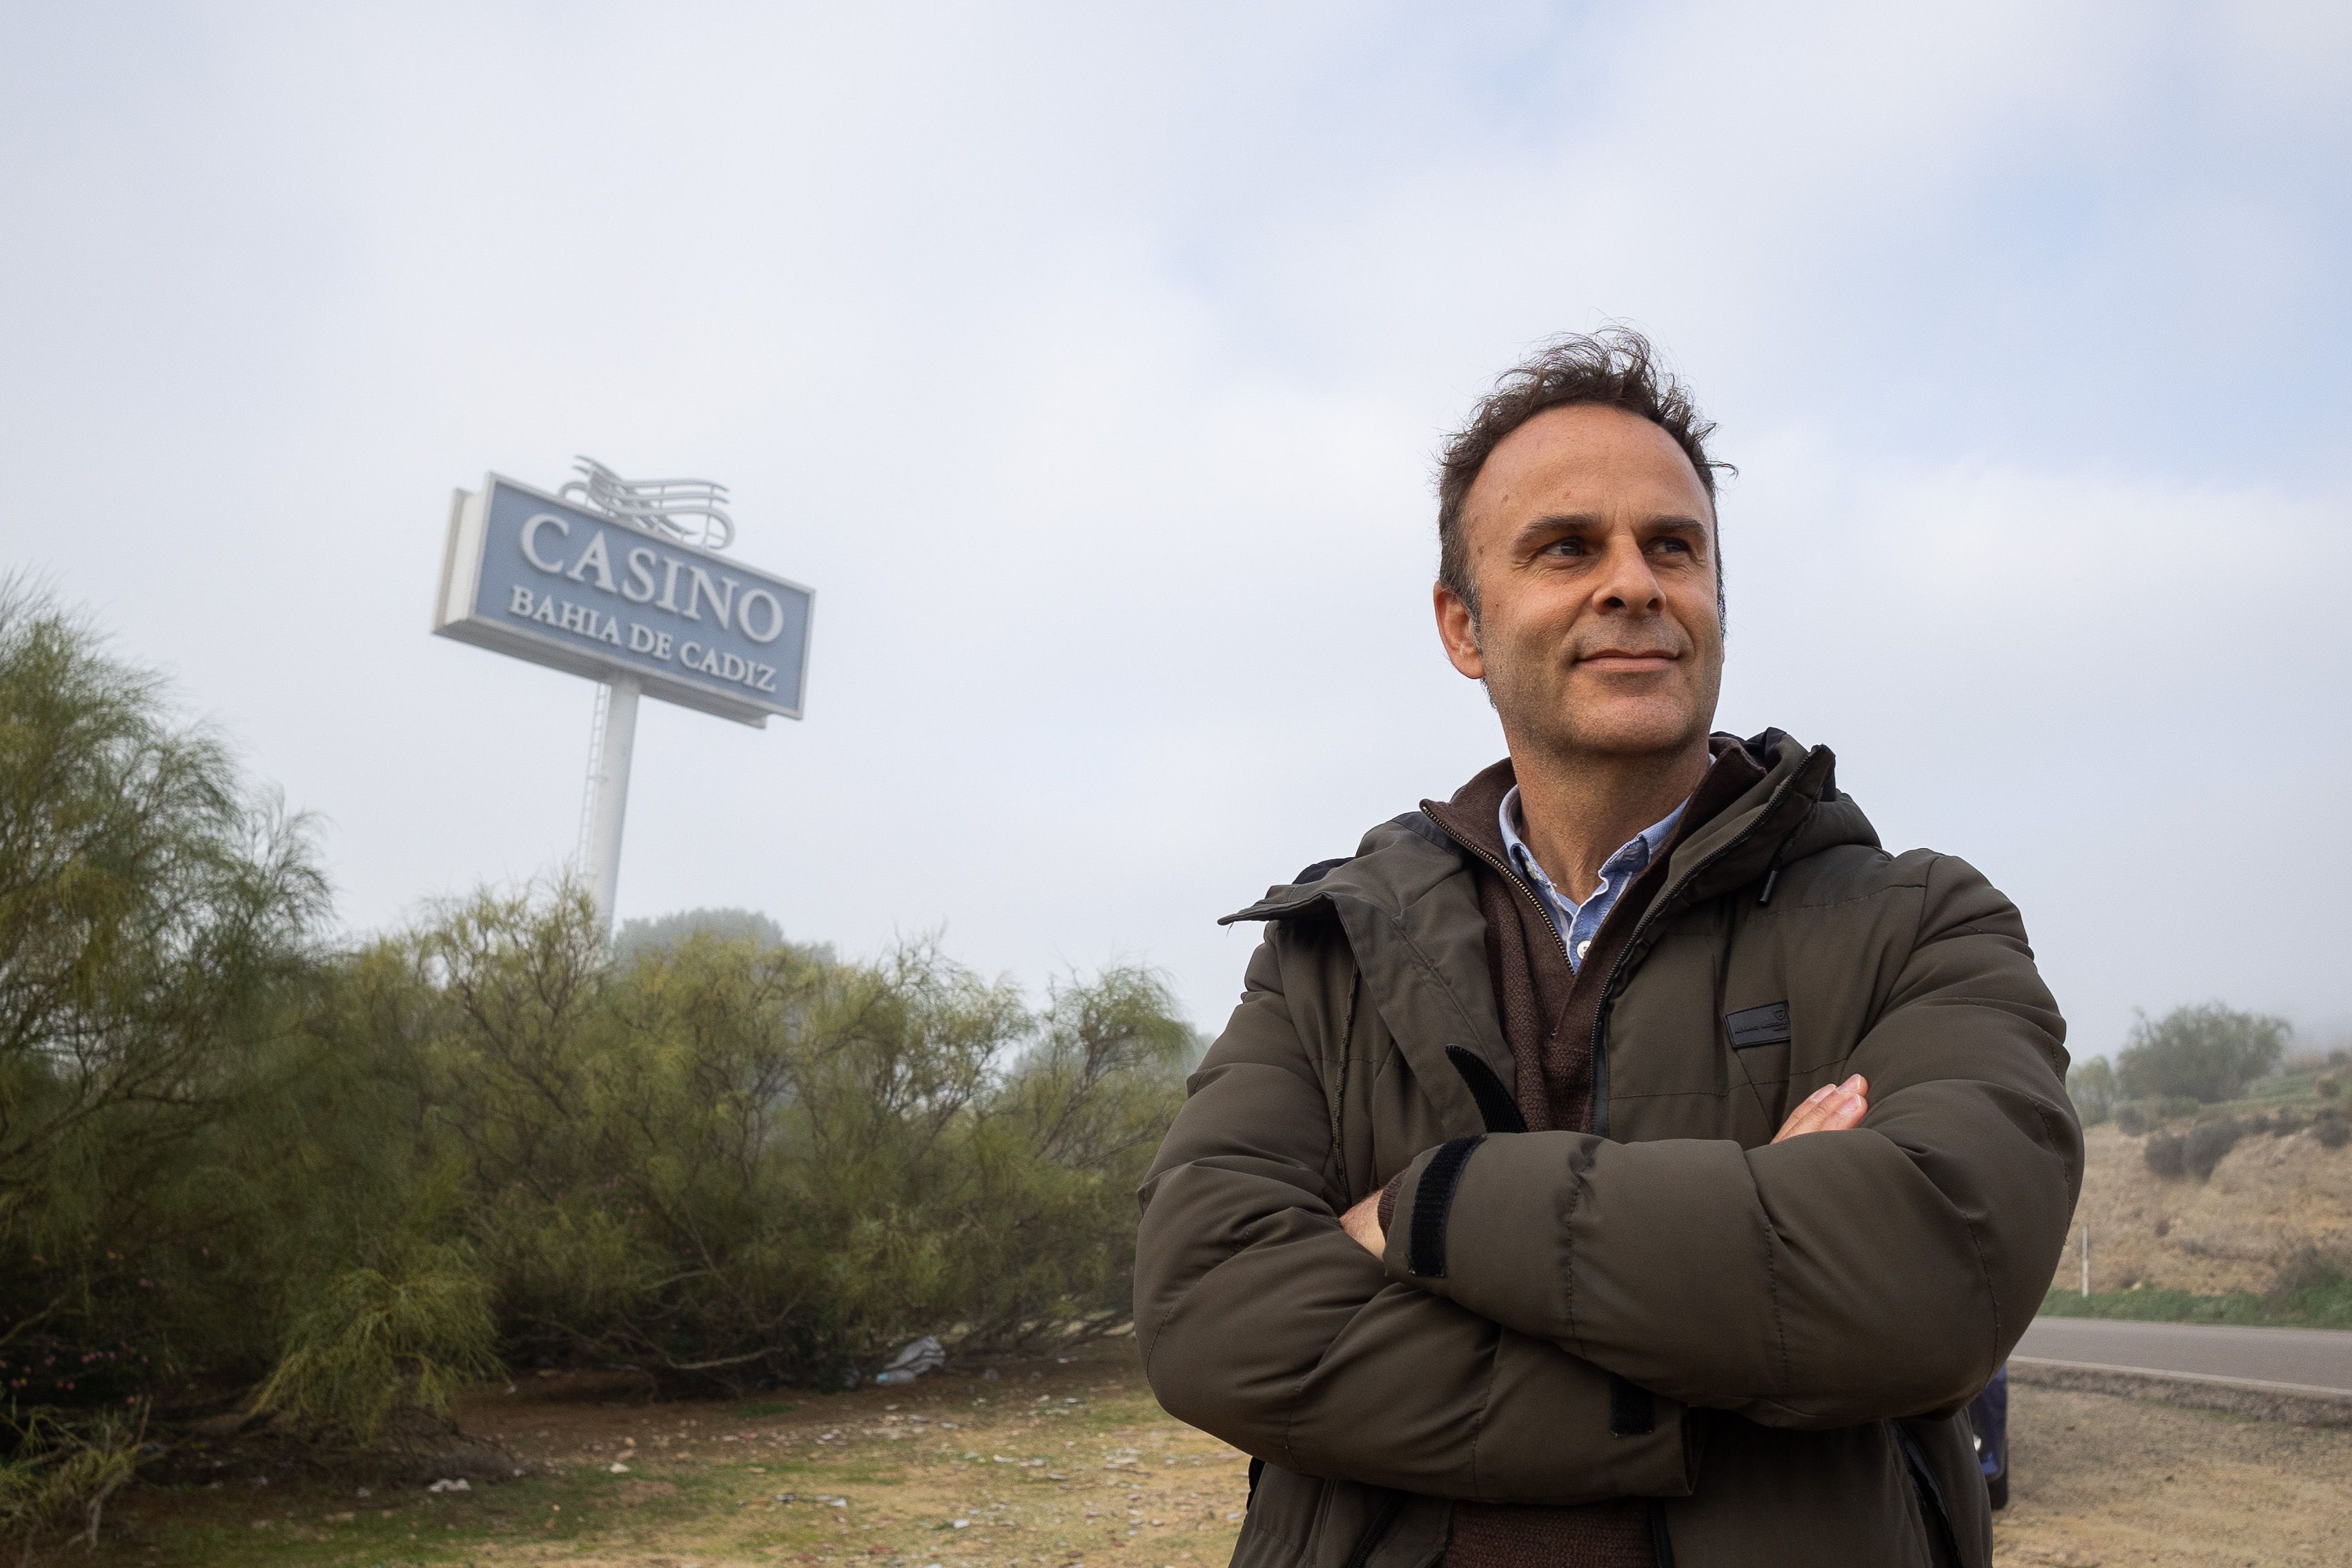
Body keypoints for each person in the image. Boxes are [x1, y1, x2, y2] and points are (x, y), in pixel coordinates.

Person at [1133, 331, 2081, 1568]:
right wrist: (1717, 1333)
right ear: (1463, 627)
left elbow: (1932, 1278)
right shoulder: (1333, 956)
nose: (1633, 583)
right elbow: (1208, 1311)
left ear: (1717, 603)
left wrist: (1430, 1210)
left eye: (1673, 548)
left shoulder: (1921, 927)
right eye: (1567, 548)